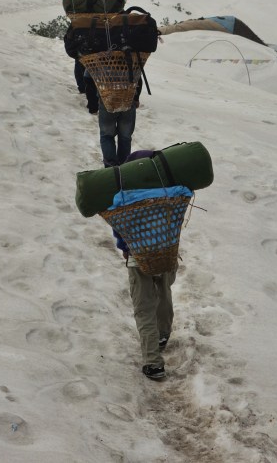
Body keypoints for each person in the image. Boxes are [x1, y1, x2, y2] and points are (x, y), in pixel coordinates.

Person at [114, 150, 176, 381]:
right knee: (164, 293)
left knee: (144, 307)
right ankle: (163, 334)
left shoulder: (125, 196)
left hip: (138, 258)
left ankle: (153, 362)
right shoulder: (169, 192)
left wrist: (124, 247)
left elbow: (118, 226)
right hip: (167, 252)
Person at [98, 100, 137, 167]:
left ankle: (111, 168)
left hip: (107, 99)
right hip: (128, 99)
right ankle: (123, 167)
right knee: (125, 138)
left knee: (107, 136)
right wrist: (136, 98)